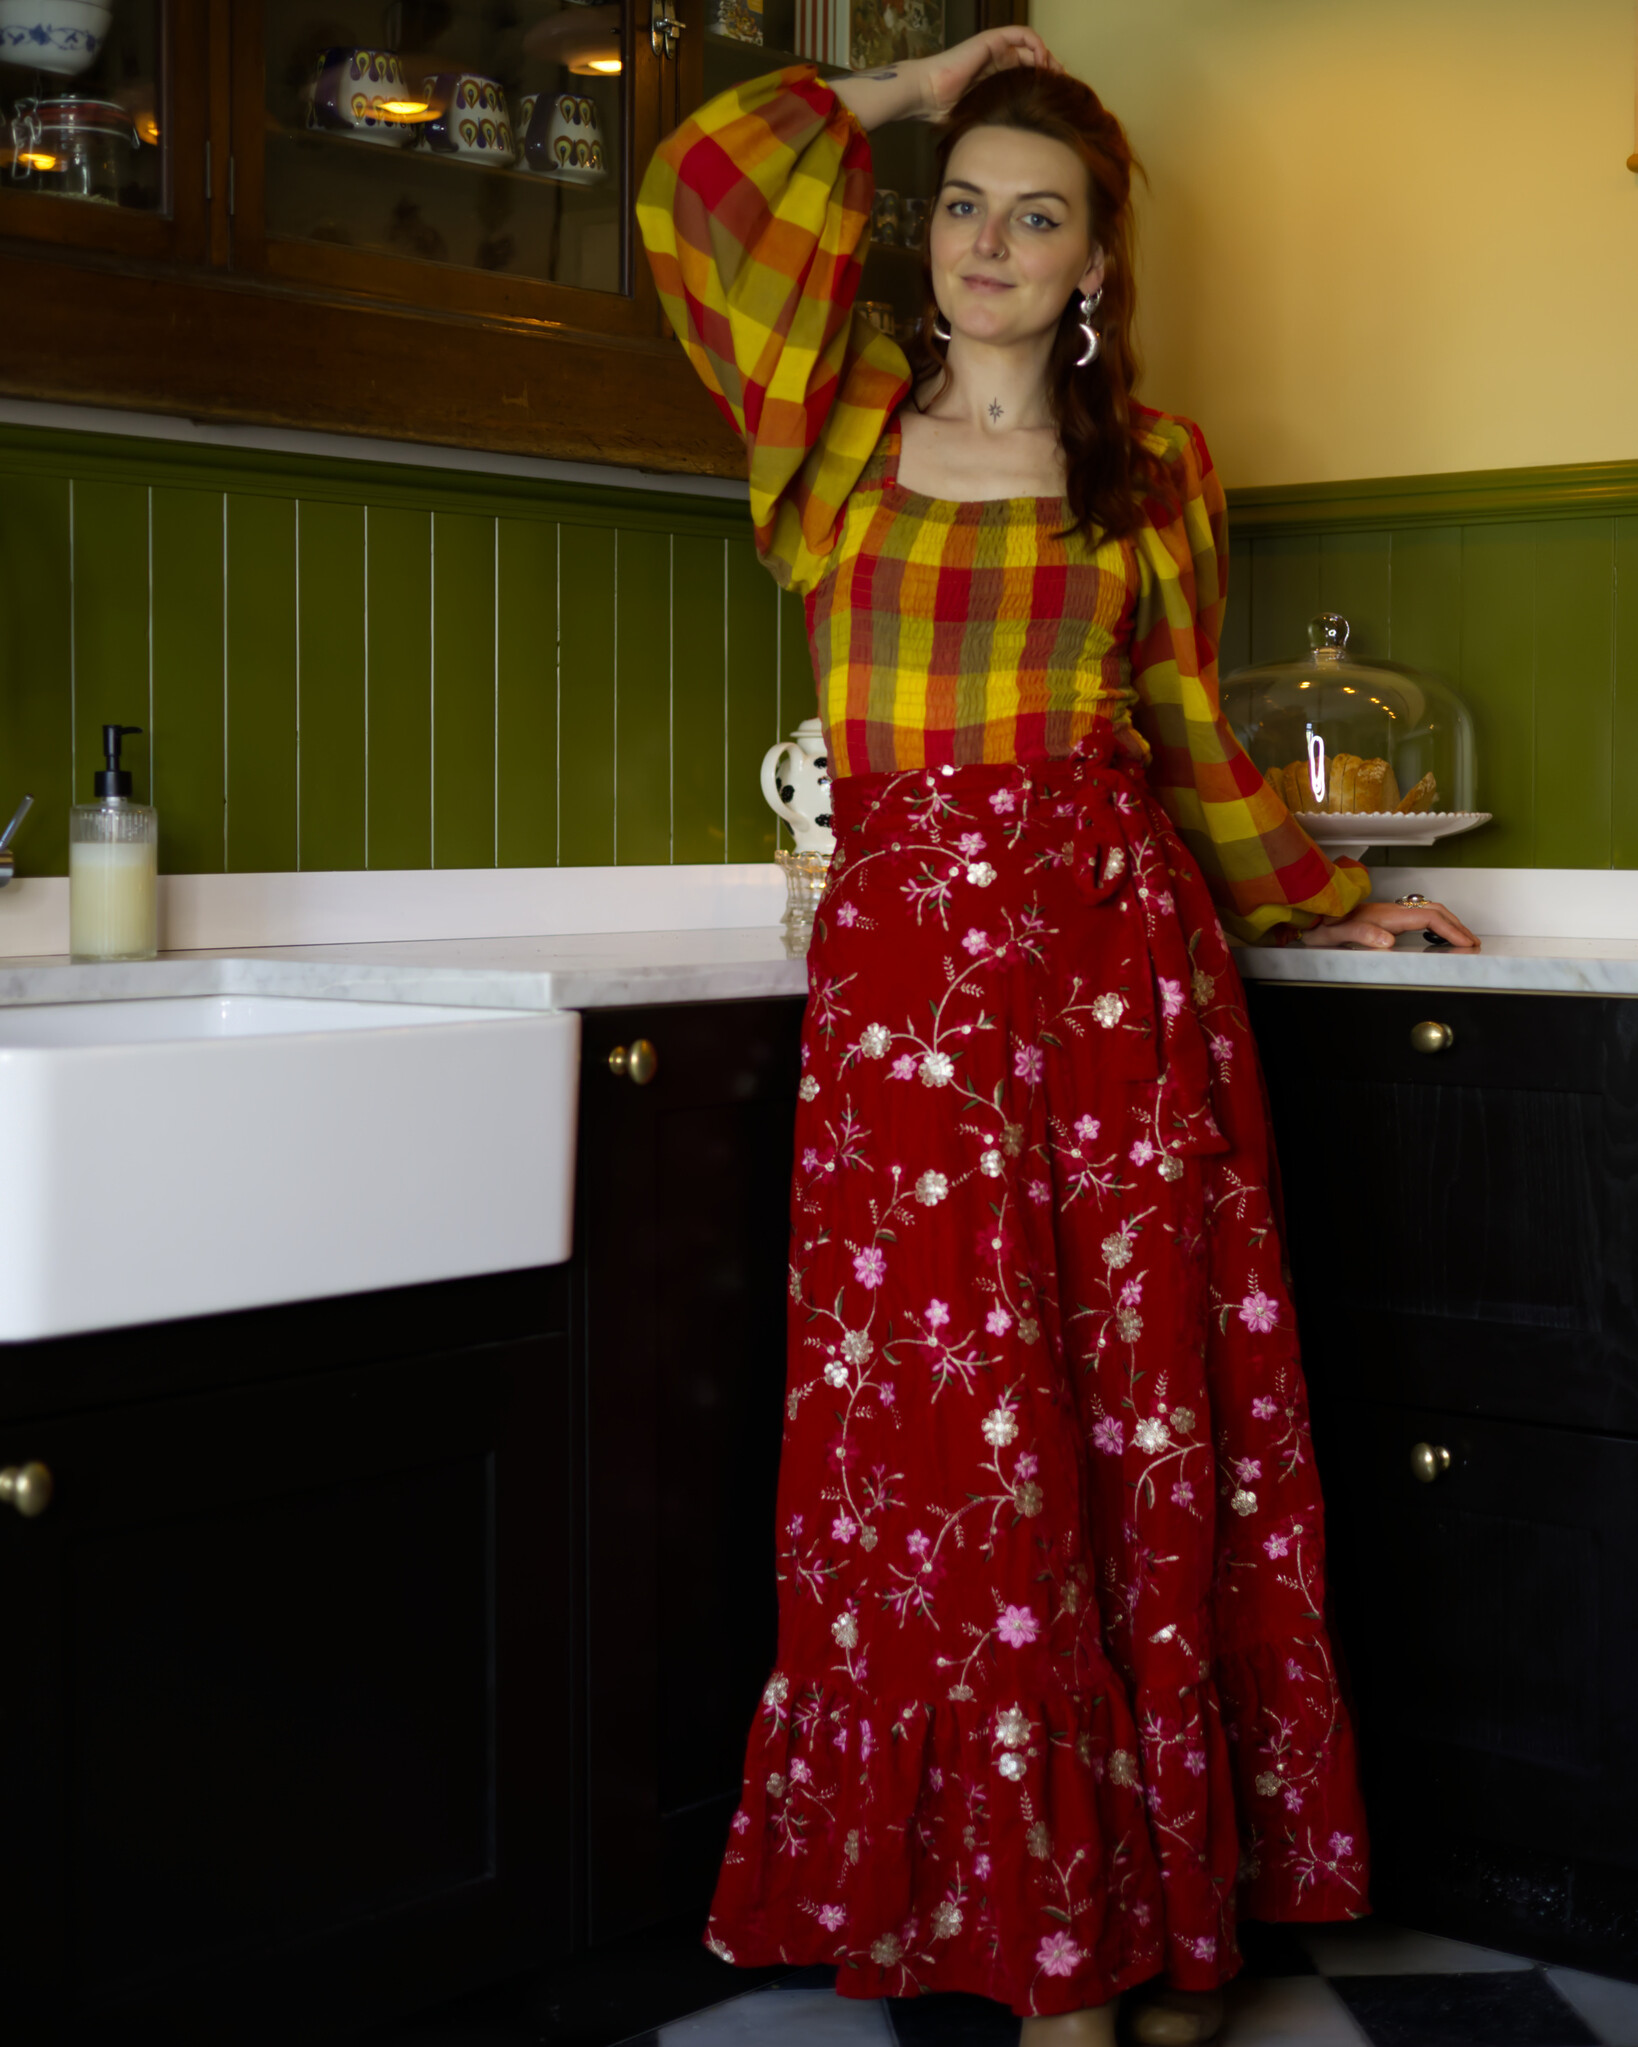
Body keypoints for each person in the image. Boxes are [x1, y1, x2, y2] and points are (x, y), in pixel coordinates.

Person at [639, 28, 1478, 2047]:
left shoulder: (1157, 467)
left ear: (1096, 261)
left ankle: (1160, 1930)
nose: (991, 247)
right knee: (949, 1450)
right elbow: (695, 190)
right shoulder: (832, 430)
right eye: (964, 209)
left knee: (1134, 1432)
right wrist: (911, 82)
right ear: (923, 234)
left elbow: (1185, 731)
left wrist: (1328, 898)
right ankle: (1043, 1951)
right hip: (908, 1009)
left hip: (1117, 981)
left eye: (1039, 219)